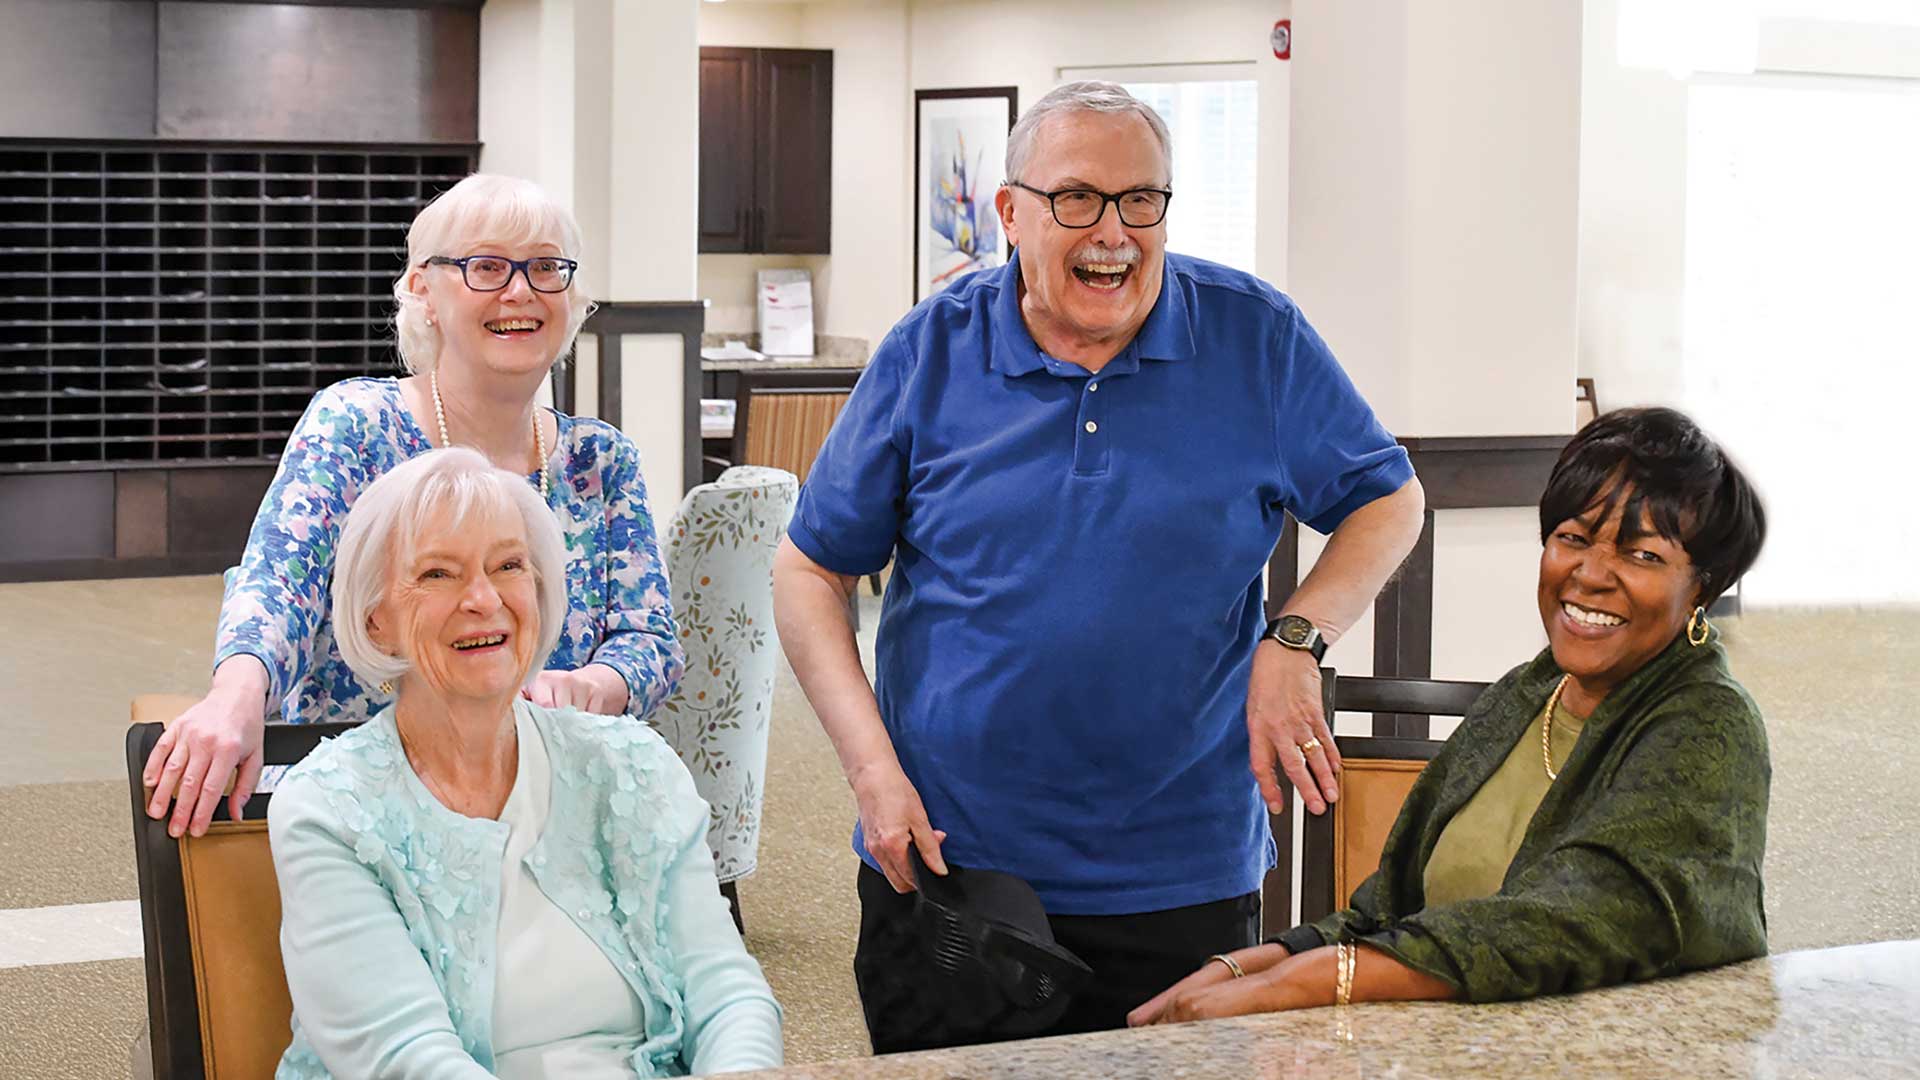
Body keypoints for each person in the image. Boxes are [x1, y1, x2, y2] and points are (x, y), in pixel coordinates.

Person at [772, 81, 1425, 1047]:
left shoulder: (1256, 336)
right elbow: (809, 571)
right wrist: (870, 770)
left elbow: (1389, 499)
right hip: (953, 863)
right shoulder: (931, 350)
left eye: (1141, 201)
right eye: (1076, 199)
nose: (1112, 232)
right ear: (1010, 214)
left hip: (1180, 870)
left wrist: (1295, 637)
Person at [1131, 407, 1769, 1024]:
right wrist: (1260, 963)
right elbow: (1386, 911)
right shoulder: (1528, 692)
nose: (1591, 574)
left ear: (1704, 587)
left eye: (1642, 556)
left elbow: (1580, 920)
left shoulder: (1710, 723)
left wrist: (1315, 979)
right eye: (1572, 539)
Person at [142, 173, 684, 839]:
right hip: (367, 807)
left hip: (544, 806)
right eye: (486, 267)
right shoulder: (358, 423)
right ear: (424, 291)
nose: (520, 291)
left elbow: (650, 638)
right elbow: (281, 581)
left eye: (546, 268)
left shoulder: (601, 461)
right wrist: (236, 694)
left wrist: (600, 683)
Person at [270, 448, 782, 1078]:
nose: (484, 598)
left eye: (508, 565)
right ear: (378, 623)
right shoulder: (330, 808)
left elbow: (728, 995)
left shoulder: (630, 765)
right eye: (438, 574)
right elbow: (407, 1059)